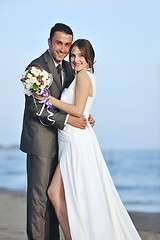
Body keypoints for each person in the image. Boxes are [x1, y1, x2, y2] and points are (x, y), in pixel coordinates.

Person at [35, 39, 142, 240]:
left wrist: (49, 99)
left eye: (81, 56)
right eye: (73, 55)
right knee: (62, 196)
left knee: (60, 194)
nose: (75, 60)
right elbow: (82, 110)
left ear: (89, 58)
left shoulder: (84, 76)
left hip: (76, 142)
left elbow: (77, 110)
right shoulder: (80, 77)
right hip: (69, 140)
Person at [20, 23, 95, 240]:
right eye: (58, 43)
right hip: (41, 142)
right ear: (49, 42)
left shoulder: (69, 69)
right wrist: (70, 119)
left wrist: (84, 116)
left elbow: (72, 100)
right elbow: (36, 109)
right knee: (39, 202)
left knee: (57, 199)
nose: (62, 49)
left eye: (67, 45)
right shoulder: (36, 69)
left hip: (63, 143)